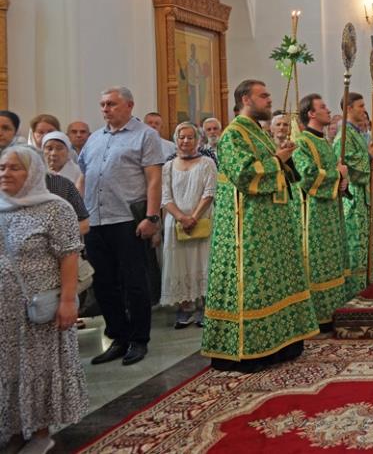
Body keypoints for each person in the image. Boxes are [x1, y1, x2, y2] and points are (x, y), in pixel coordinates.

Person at [201, 80, 318, 372]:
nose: (269, 100)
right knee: (253, 284)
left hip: (270, 223)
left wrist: (284, 157)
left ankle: (281, 343)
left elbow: (279, 171)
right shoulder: (233, 135)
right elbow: (244, 175)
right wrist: (278, 159)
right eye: (263, 95)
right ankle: (252, 351)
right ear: (245, 99)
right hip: (247, 226)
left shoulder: (258, 133)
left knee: (274, 282)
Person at [0, 147, 88, 453]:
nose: (5, 174)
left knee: (38, 367)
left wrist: (68, 301)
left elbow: (69, 256)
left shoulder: (55, 208)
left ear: (33, 172)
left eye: (14, 168)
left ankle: (40, 431)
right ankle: (13, 429)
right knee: (8, 368)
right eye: (2, 167)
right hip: (4, 310)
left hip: (37, 308)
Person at [79, 87, 163, 366]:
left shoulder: (145, 135)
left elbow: (153, 179)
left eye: (112, 104)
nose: (106, 109)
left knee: (134, 282)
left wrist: (152, 217)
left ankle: (139, 339)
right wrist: (79, 214)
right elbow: (84, 177)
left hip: (127, 219)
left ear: (129, 105)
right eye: (103, 104)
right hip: (96, 220)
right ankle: (118, 336)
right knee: (103, 283)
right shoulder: (95, 138)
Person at [293, 93, 349, 331]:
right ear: (311, 113)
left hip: (331, 210)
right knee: (319, 262)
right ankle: (319, 316)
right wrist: (338, 175)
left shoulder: (324, 141)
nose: (328, 110)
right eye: (323, 107)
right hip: (314, 214)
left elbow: (336, 172)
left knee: (333, 260)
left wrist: (343, 181)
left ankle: (334, 311)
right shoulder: (302, 143)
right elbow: (307, 176)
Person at [159, 122, 215, 329]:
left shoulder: (207, 162)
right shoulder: (168, 166)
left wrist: (194, 217)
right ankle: (185, 307)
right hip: (176, 222)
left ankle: (204, 306)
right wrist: (182, 217)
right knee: (179, 262)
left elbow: (210, 192)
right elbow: (165, 197)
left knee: (202, 261)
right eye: (182, 137)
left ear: (197, 140)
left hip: (203, 218)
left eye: (190, 137)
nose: (185, 141)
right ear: (176, 139)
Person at [336, 92, 373, 299]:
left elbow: (362, 161)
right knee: (357, 243)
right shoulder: (344, 136)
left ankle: (370, 282)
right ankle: (357, 287)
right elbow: (347, 163)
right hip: (354, 196)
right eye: (360, 106)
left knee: (368, 240)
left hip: (366, 195)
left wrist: (372, 164)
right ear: (348, 109)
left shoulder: (358, 133)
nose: (364, 109)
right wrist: (368, 157)